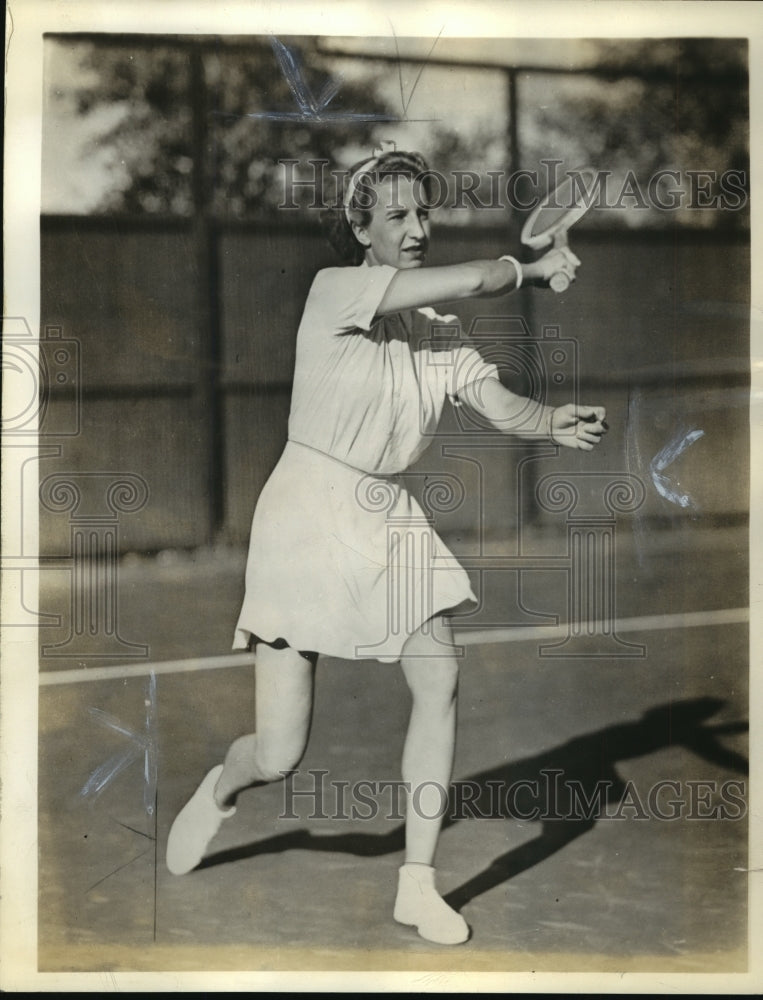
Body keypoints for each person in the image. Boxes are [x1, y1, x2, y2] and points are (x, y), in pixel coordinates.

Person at [166, 148, 607, 946]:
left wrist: (552, 421)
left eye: (423, 213)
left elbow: (497, 403)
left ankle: (416, 884)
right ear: (359, 228)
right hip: (304, 511)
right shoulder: (332, 292)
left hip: (384, 516)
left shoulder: (433, 332)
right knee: (278, 751)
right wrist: (531, 269)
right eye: (395, 215)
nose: (415, 229)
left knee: (439, 674)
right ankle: (222, 791)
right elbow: (479, 278)